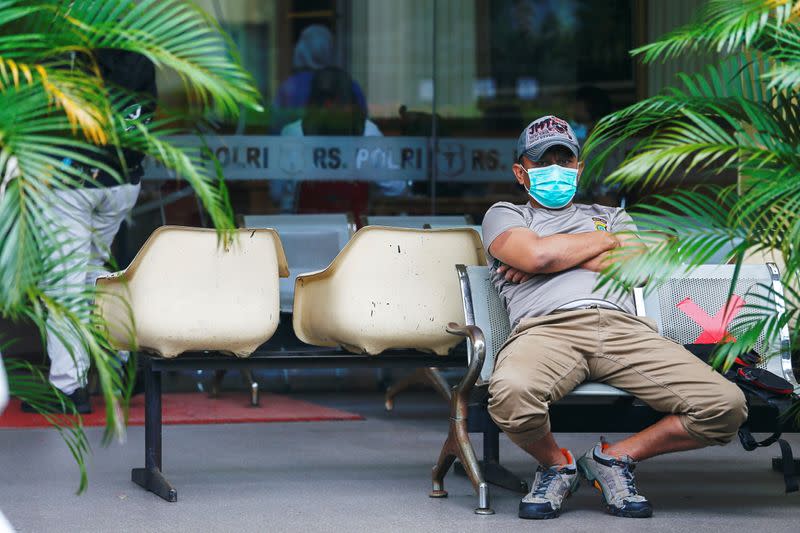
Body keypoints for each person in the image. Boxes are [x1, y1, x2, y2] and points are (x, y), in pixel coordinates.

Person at [481, 115, 747, 519]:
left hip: (624, 329)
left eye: (564, 160)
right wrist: (601, 243)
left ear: (579, 167)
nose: (556, 169)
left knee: (725, 405)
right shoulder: (506, 215)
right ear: (521, 173)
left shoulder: (613, 216)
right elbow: (535, 255)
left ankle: (613, 459)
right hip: (546, 331)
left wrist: (552, 259)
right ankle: (557, 464)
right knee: (511, 397)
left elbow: (637, 267)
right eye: (542, 162)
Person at [22, 49, 156, 414]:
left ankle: (69, 387)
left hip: (74, 183)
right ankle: (121, 368)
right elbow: (141, 125)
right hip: (122, 185)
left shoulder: (72, 57)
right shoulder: (140, 61)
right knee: (94, 274)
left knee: (65, 283)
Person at [275, 67, 407, 215]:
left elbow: (276, 193)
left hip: (301, 231)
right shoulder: (369, 132)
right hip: (356, 234)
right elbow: (397, 188)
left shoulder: (292, 133)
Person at [270, 24, 366, 135]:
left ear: (301, 48)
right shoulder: (351, 86)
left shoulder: (289, 87)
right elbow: (363, 127)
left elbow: (275, 131)